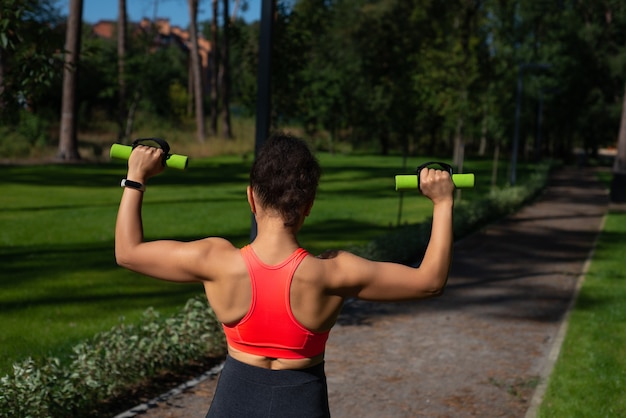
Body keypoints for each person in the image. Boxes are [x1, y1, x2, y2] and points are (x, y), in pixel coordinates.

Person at [115, 132, 455, 417]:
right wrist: (442, 203)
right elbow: (429, 282)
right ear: (308, 206)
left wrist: (136, 177)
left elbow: (128, 253)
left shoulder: (216, 260)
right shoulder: (334, 273)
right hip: (303, 403)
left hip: (235, 402)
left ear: (251, 197)